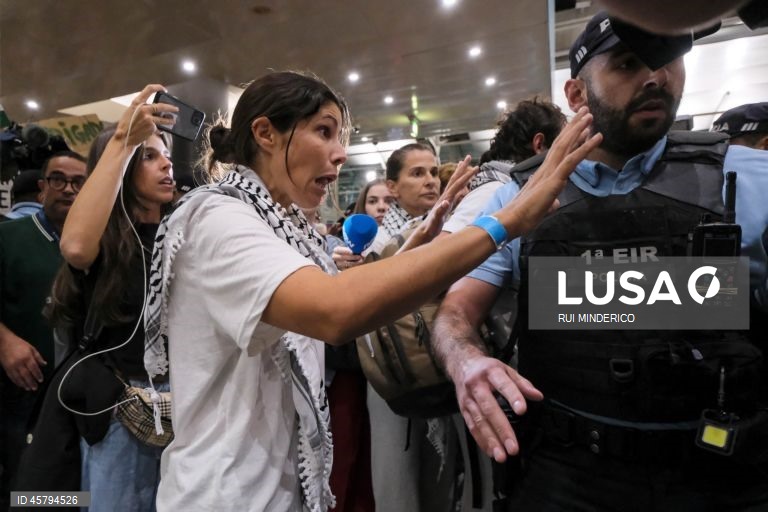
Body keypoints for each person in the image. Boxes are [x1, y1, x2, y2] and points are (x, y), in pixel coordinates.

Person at [138, 72, 602, 511]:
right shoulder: (218, 219)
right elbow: (334, 309)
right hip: (224, 494)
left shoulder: (276, 223)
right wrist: (503, 223)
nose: (341, 154)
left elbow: (339, 291)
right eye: (324, 132)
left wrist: (415, 250)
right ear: (265, 133)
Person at [432, 11, 768, 511]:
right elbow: (453, 314)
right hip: (568, 477)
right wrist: (466, 361)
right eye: (628, 64)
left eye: (669, 60)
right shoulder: (516, 198)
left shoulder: (747, 178)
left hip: (721, 475)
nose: (655, 77)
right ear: (576, 94)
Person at [48, 100, 176, 511]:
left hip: (185, 406)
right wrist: (122, 139)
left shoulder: (184, 232)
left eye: (168, 156)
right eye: (150, 156)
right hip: (121, 408)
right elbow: (75, 248)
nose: (166, 166)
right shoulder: (104, 238)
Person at [0, 151, 86, 511]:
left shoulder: (96, 246)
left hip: (79, 399)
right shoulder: (10, 236)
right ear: (41, 189)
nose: (68, 189)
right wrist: (4, 341)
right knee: (24, 489)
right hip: (21, 395)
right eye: (58, 180)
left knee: (72, 490)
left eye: (78, 182)